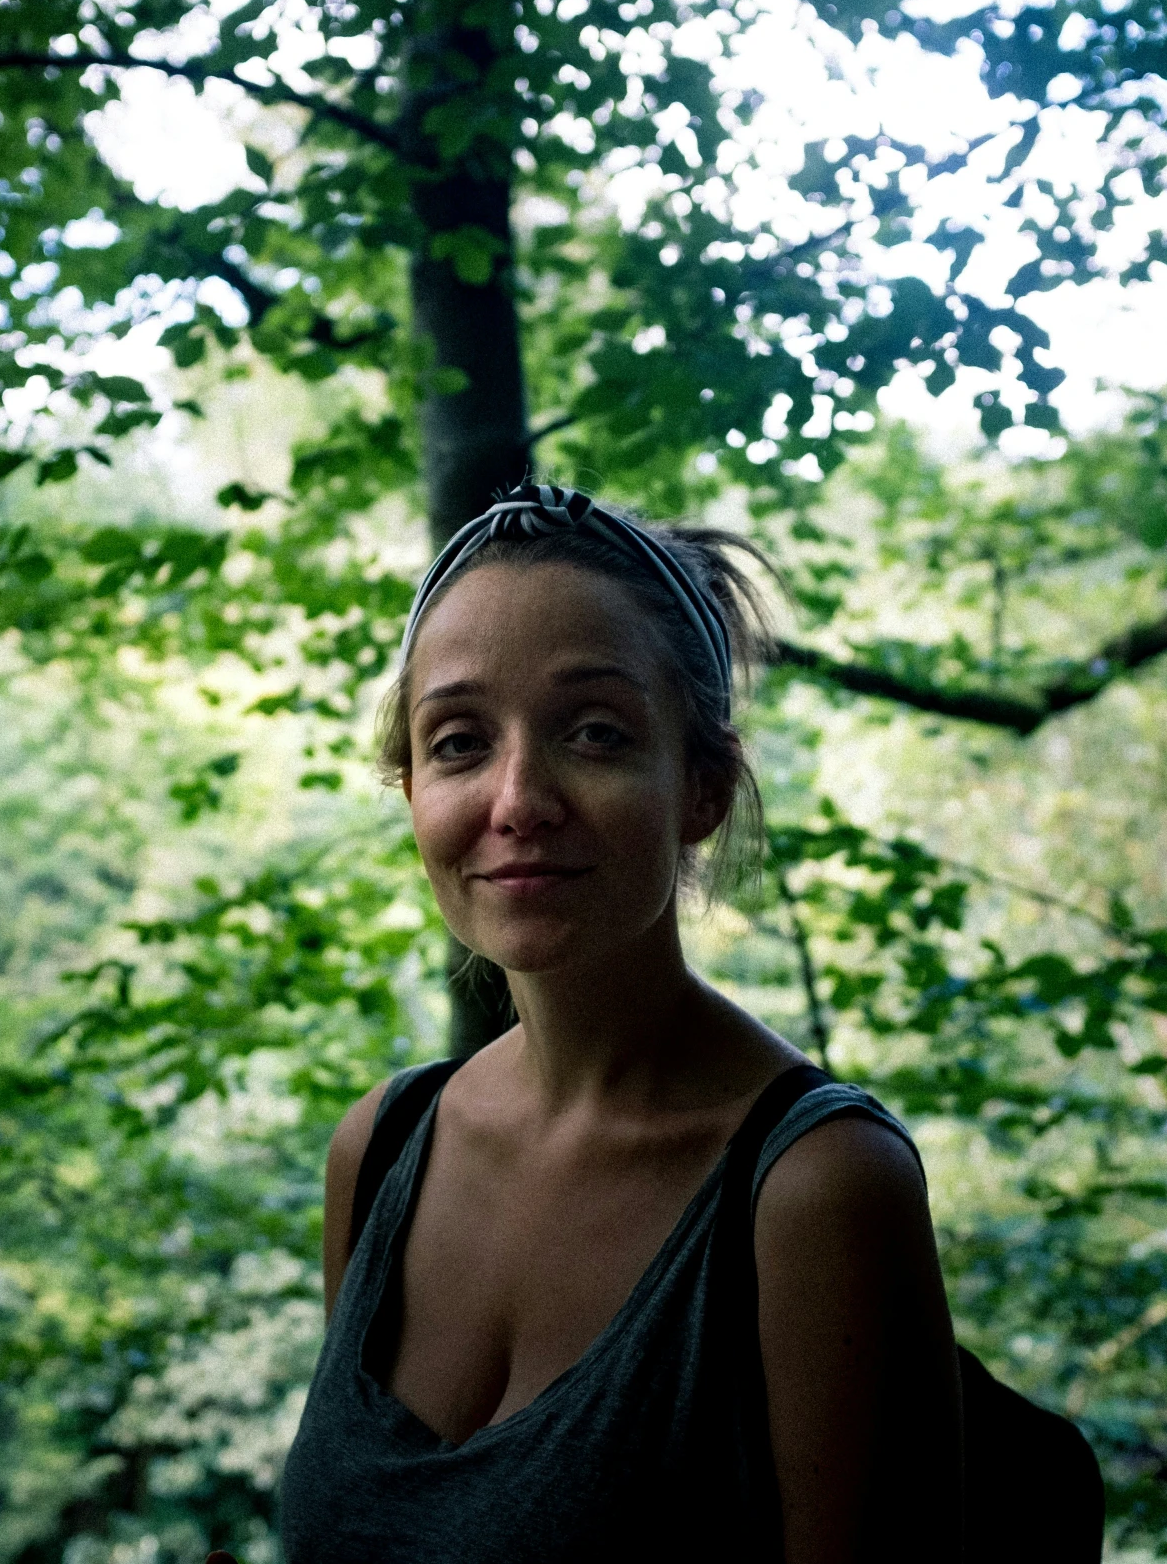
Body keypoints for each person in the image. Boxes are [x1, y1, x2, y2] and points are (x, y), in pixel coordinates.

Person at [274, 483, 965, 1562]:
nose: (515, 799)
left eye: (594, 733)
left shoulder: (815, 1189)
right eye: (458, 742)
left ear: (702, 788)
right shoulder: (380, 1149)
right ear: (409, 787)